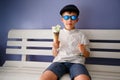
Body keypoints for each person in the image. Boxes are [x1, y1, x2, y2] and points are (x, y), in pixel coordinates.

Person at [40, 4, 91, 80]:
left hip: (76, 63)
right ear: (62, 20)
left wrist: (83, 51)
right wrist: (55, 47)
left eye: (73, 17)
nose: (69, 20)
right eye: (66, 17)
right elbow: (54, 54)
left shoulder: (82, 35)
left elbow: (87, 55)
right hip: (59, 62)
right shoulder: (57, 34)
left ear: (77, 20)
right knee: (44, 77)